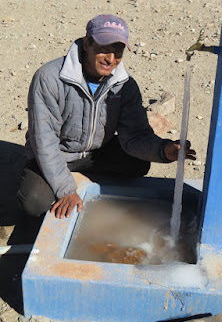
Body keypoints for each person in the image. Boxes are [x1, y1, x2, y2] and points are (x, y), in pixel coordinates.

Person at [17, 14, 196, 220]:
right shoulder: (49, 78)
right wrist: (67, 190)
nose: (111, 59)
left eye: (117, 51)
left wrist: (164, 150)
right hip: (58, 153)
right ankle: (61, 180)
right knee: (34, 201)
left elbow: (136, 135)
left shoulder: (125, 85)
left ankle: (80, 179)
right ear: (86, 43)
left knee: (138, 164)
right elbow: (44, 141)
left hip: (96, 152)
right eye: (104, 49)